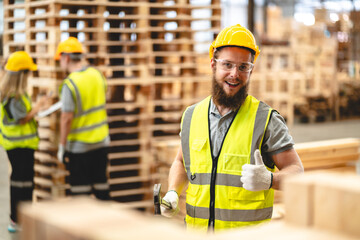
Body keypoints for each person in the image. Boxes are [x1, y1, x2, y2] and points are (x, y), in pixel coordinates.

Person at [160, 24, 304, 233]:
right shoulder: (192, 116)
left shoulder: (265, 119)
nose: (234, 74)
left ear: (251, 70)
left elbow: (297, 171)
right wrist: (173, 191)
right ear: (213, 64)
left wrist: (269, 180)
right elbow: (181, 162)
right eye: (227, 64)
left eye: (243, 67)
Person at [54, 37, 111, 200]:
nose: (60, 64)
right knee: (101, 186)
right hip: (101, 141)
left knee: (80, 193)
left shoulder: (70, 84)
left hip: (79, 147)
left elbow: (66, 118)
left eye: (60, 60)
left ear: (66, 58)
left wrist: (62, 146)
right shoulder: (97, 74)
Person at [0, 51, 49, 232]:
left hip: (15, 145)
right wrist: (39, 107)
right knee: (23, 181)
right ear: (21, 75)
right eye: (27, 73)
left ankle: (18, 218)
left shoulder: (12, 94)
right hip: (20, 145)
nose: (29, 76)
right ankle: (18, 219)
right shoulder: (14, 97)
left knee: (20, 180)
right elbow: (22, 119)